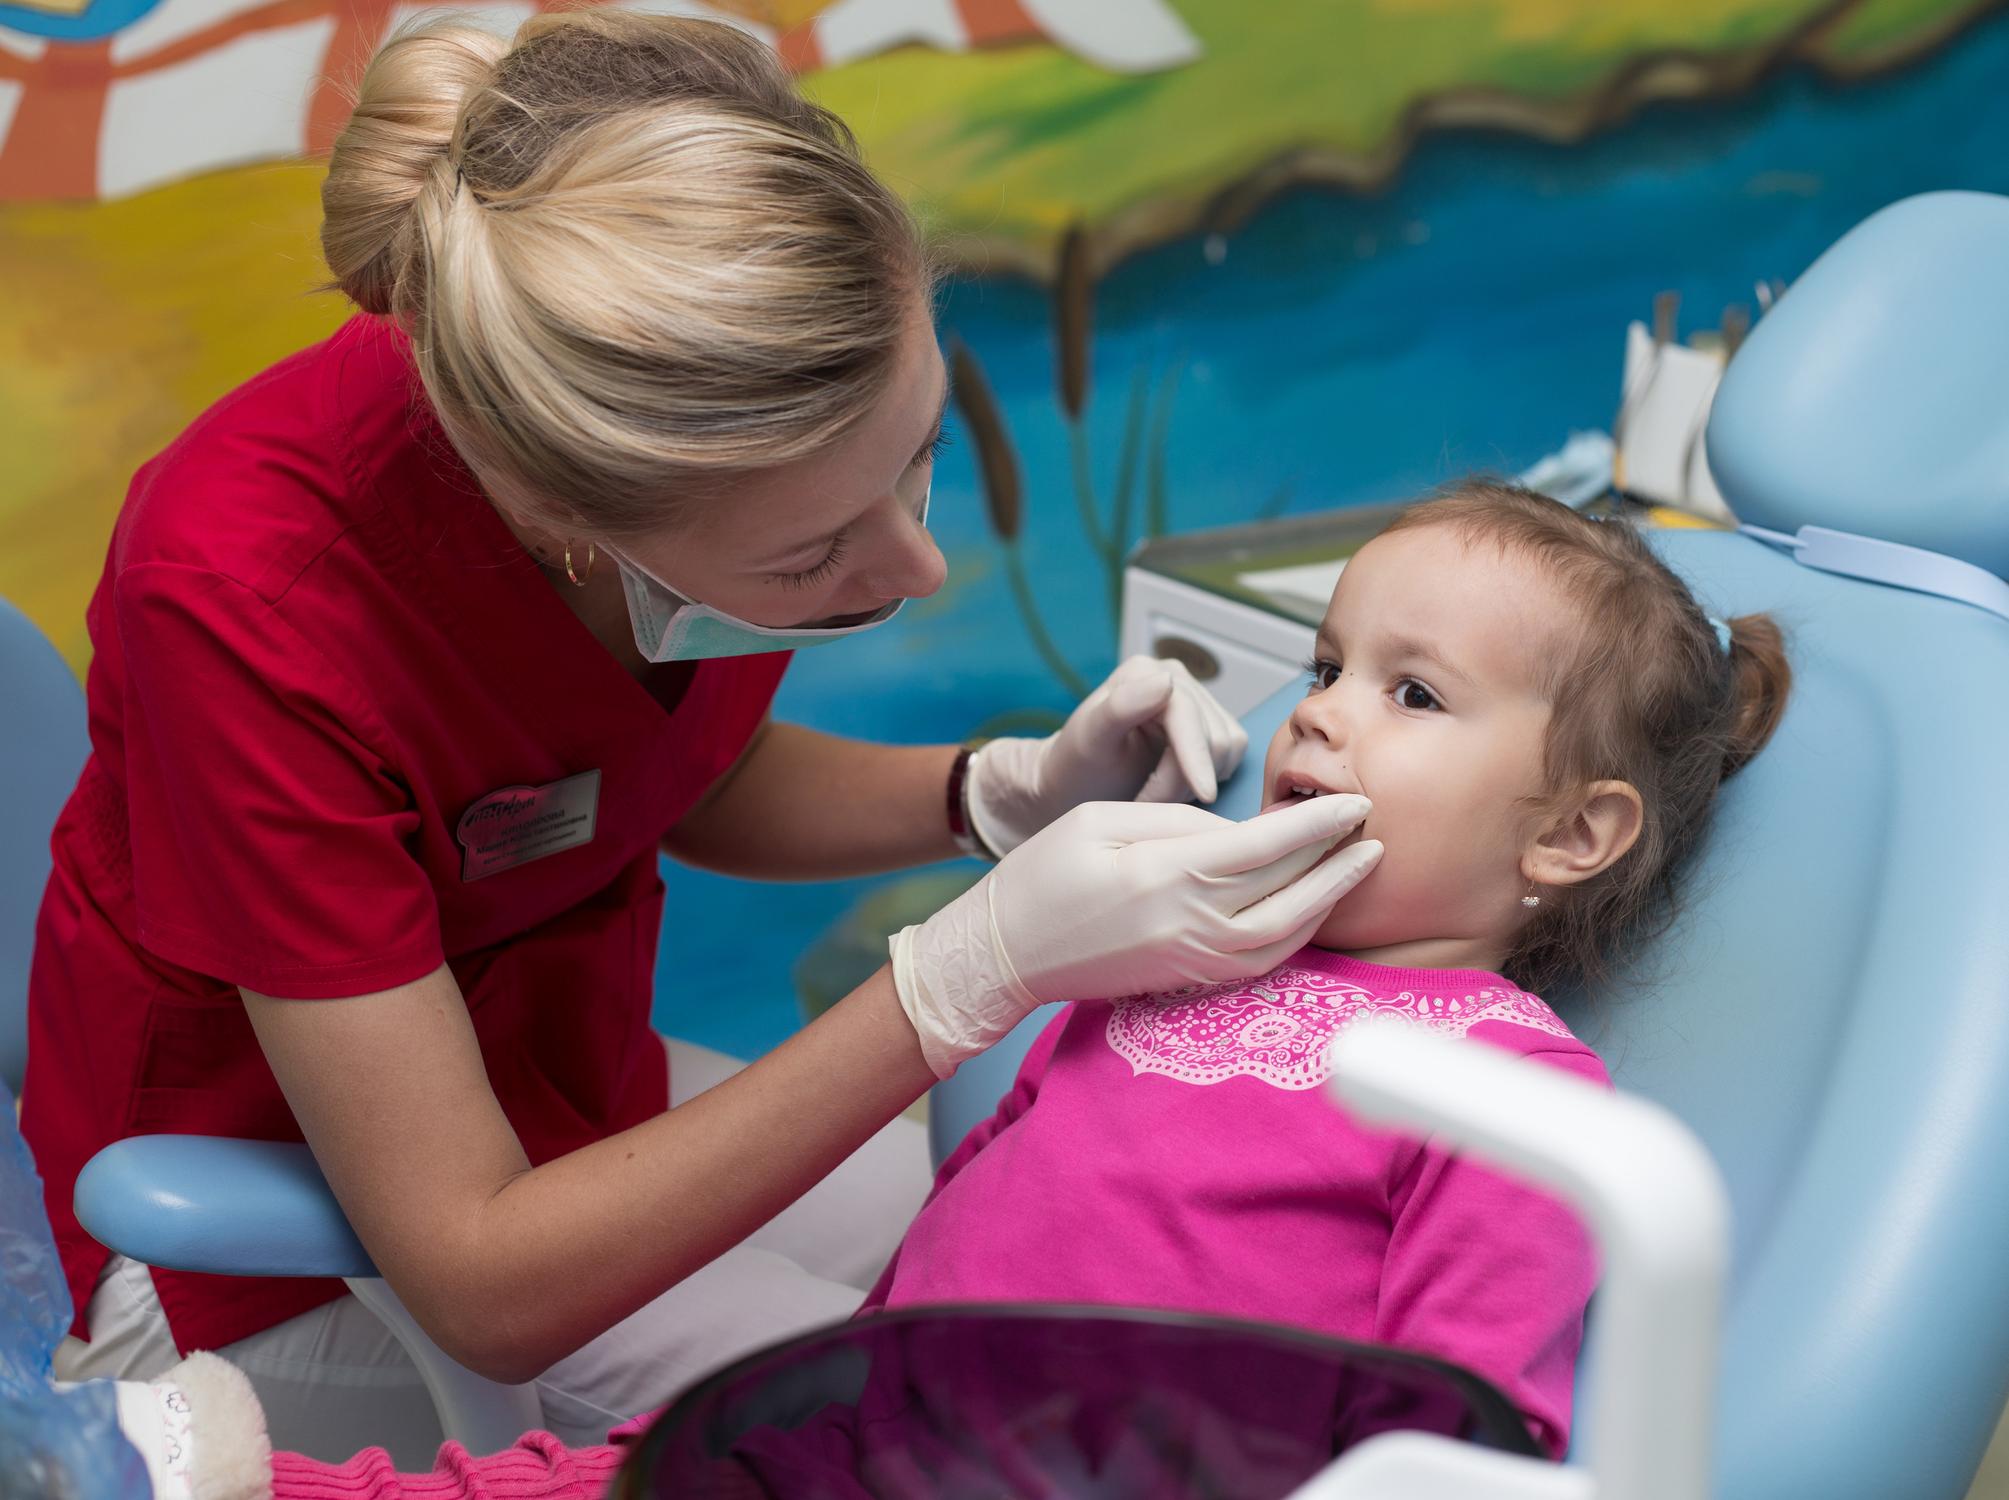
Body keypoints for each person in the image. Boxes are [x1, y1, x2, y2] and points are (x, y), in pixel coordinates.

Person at [23, 8, 1382, 1465]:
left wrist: (991, 797)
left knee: (1000, 1218)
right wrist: (967, 971)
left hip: (560, 1072)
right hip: (271, 1237)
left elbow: (650, 772)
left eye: (916, 455)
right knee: (937, 1428)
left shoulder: (676, 465)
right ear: (562, 533)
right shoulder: (247, 601)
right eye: (809, 561)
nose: (914, 573)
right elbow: (483, 1280)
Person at [115, 481, 1790, 1498]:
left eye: (1410, 694)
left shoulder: (1504, 1094)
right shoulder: (1174, 960)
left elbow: (1470, 1436)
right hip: (900, 1428)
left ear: (1573, 834)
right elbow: (983, 1190)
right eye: (1329, 664)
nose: (1321, 714)